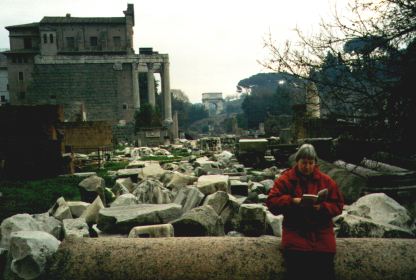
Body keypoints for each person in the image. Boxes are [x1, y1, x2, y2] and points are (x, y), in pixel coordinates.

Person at [266, 143, 344, 280]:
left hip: (321, 234)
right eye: (303, 163)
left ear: (315, 163)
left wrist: (322, 207)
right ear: (297, 162)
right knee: (297, 270)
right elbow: (272, 202)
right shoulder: (285, 180)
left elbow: (338, 205)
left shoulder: (326, 181)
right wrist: (292, 201)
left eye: (310, 163)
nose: (307, 167)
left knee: (325, 271)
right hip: (295, 232)